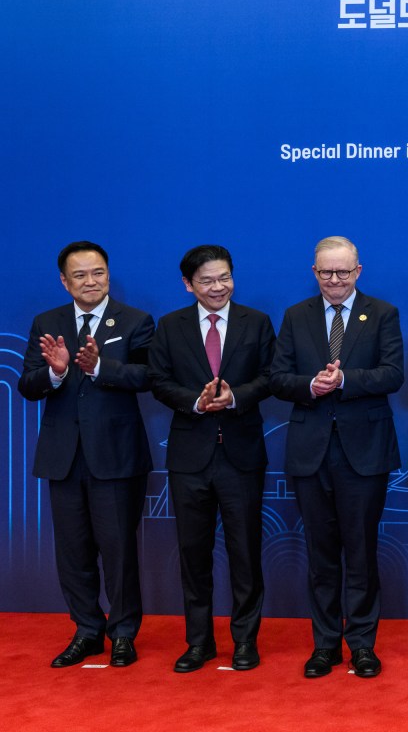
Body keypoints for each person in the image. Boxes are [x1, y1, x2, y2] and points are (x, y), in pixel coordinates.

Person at [269, 236, 404, 679]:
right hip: (311, 452)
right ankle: (324, 644)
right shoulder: (296, 316)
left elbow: (392, 374)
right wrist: (311, 386)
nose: (334, 280)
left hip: (363, 452)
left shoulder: (382, 313)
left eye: (343, 272)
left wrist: (345, 379)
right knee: (321, 554)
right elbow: (278, 377)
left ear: (358, 271)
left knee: (361, 553)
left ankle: (362, 644)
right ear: (314, 272)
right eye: (326, 272)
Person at [18, 241, 154, 668]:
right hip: (63, 457)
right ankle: (87, 629)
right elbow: (27, 384)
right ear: (64, 281)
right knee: (73, 551)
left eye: (98, 272)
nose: (90, 281)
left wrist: (98, 367)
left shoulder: (135, 321)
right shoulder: (48, 322)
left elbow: (148, 376)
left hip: (116, 456)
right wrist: (56, 372)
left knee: (118, 552)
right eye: (80, 275)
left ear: (108, 274)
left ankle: (124, 633)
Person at [147, 245, 275, 672]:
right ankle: (198, 642)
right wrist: (197, 402)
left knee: (245, 553)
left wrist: (235, 396)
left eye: (225, 278)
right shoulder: (170, 326)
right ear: (188, 285)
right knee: (193, 554)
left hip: (241, 454)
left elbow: (271, 377)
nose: (218, 287)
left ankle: (244, 641)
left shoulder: (256, 322)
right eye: (207, 281)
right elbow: (158, 381)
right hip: (190, 456)